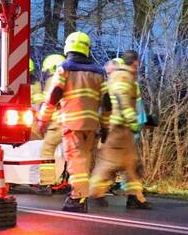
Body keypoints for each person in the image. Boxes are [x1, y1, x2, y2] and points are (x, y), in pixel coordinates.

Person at [37, 32, 105, 212]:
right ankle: (81, 196)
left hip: (71, 124)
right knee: (84, 160)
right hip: (91, 125)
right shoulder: (99, 72)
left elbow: (53, 97)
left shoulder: (64, 69)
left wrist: (43, 119)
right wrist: (105, 126)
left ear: (68, 47)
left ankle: (77, 198)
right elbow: (107, 103)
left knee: (75, 162)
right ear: (86, 48)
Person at [90, 50, 151, 209]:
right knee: (108, 164)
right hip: (118, 128)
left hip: (121, 130)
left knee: (132, 165)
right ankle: (96, 192)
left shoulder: (120, 76)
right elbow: (121, 98)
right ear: (135, 63)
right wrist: (132, 119)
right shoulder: (123, 77)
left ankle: (135, 197)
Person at [33, 54, 66, 187]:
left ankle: (46, 182)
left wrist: (42, 120)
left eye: (47, 70)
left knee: (46, 150)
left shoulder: (53, 81)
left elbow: (49, 103)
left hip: (58, 123)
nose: (45, 74)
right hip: (74, 123)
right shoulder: (72, 79)